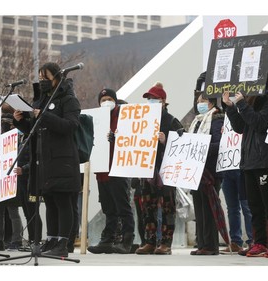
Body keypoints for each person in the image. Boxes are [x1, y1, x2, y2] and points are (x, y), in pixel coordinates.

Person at [13, 62, 82, 257]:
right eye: (40, 78)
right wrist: (21, 121)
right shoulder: (40, 100)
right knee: (50, 200)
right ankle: (51, 240)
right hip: (44, 160)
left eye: (46, 78)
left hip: (63, 159)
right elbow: (34, 132)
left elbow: (70, 126)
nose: (42, 82)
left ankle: (63, 242)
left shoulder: (69, 100)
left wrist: (43, 116)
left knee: (62, 200)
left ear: (57, 78)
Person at [222, 64, 268, 258]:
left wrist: (242, 104)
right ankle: (258, 242)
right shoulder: (253, 98)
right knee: (255, 205)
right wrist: (231, 108)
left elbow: (260, 124)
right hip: (249, 159)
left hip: (265, 159)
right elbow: (241, 127)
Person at [135, 82, 183, 255]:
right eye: (148, 99)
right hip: (147, 169)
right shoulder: (141, 120)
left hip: (166, 170)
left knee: (168, 206)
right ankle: (149, 241)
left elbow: (183, 145)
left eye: (153, 99)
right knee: (147, 206)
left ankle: (166, 243)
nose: (150, 102)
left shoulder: (171, 121)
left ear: (163, 101)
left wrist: (166, 141)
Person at [87, 88, 135, 254]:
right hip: (102, 170)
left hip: (118, 168)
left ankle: (127, 240)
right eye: (102, 99)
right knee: (108, 208)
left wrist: (118, 139)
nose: (106, 102)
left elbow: (132, 137)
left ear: (115, 100)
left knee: (123, 207)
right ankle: (107, 240)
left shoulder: (124, 117)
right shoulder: (98, 118)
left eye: (109, 98)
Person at [188, 72, 224, 256]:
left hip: (209, 171)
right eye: (198, 101)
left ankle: (211, 245)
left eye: (203, 101)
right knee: (200, 209)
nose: (199, 104)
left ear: (211, 103)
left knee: (209, 209)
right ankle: (202, 243)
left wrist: (201, 147)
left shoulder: (217, 120)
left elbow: (219, 144)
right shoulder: (197, 121)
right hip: (196, 171)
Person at [0, 112, 23, 251]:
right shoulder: (1, 142)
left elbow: (21, 157)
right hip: (1, 179)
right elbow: (1, 156)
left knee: (13, 212)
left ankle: (17, 240)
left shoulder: (18, 139)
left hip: (11, 180)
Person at [13, 129, 43, 249]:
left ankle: (37, 240)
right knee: (27, 212)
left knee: (33, 211)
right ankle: (31, 240)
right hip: (21, 181)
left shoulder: (33, 139)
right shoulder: (21, 139)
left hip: (32, 181)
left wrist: (24, 169)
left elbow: (36, 160)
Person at [219, 169, 253, 254]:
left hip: (241, 168)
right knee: (231, 208)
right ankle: (236, 242)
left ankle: (252, 241)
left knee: (246, 206)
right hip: (225, 169)